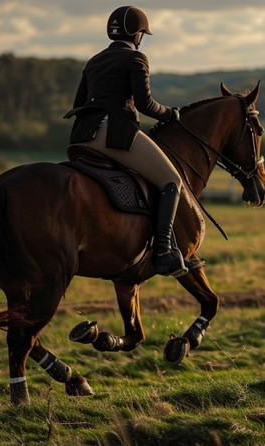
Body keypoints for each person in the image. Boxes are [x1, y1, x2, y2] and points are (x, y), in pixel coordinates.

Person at [64, 6, 188, 277]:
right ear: (137, 33)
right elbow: (145, 104)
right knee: (172, 181)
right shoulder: (137, 58)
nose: (142, 38)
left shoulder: (94, 60)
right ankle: (164, 251)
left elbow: (79, 103)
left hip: (83, 136)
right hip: (114, 135)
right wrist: (170, 113)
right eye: (142, 33)